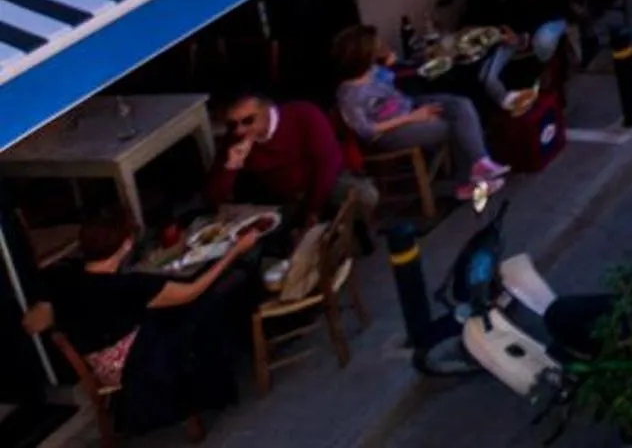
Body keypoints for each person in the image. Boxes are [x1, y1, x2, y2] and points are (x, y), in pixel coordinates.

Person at [36, 212, 260, 432]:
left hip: (101, 361)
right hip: (136, 365)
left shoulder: (67, 281)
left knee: (185, 309)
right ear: (126, 245)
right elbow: (192, 291)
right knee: (208, 302)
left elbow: (35, 320)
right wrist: (234, 252)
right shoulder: (128, 287)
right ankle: (228, 367)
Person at [330, 25, 510, 203]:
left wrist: (390, 63)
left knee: (461, 105)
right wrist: (413, 117)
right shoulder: (349, 95)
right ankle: (467, 183)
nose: (379, 48)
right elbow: (366, 130)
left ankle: (480, 163)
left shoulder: (371, 71)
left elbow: (390, 80)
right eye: (375, 47)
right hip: (389, 133)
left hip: (409, 106)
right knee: (454, 126)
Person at [205, 90, 344, 221]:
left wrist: (311, 210)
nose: (239, 130)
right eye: (232, 124)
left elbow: (328, 164)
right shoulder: (235, 138)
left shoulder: (304, 115)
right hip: (281, 198)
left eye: (248, 121)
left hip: (321, 185)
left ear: (266, 111)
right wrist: (231, 165)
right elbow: (213, 197)